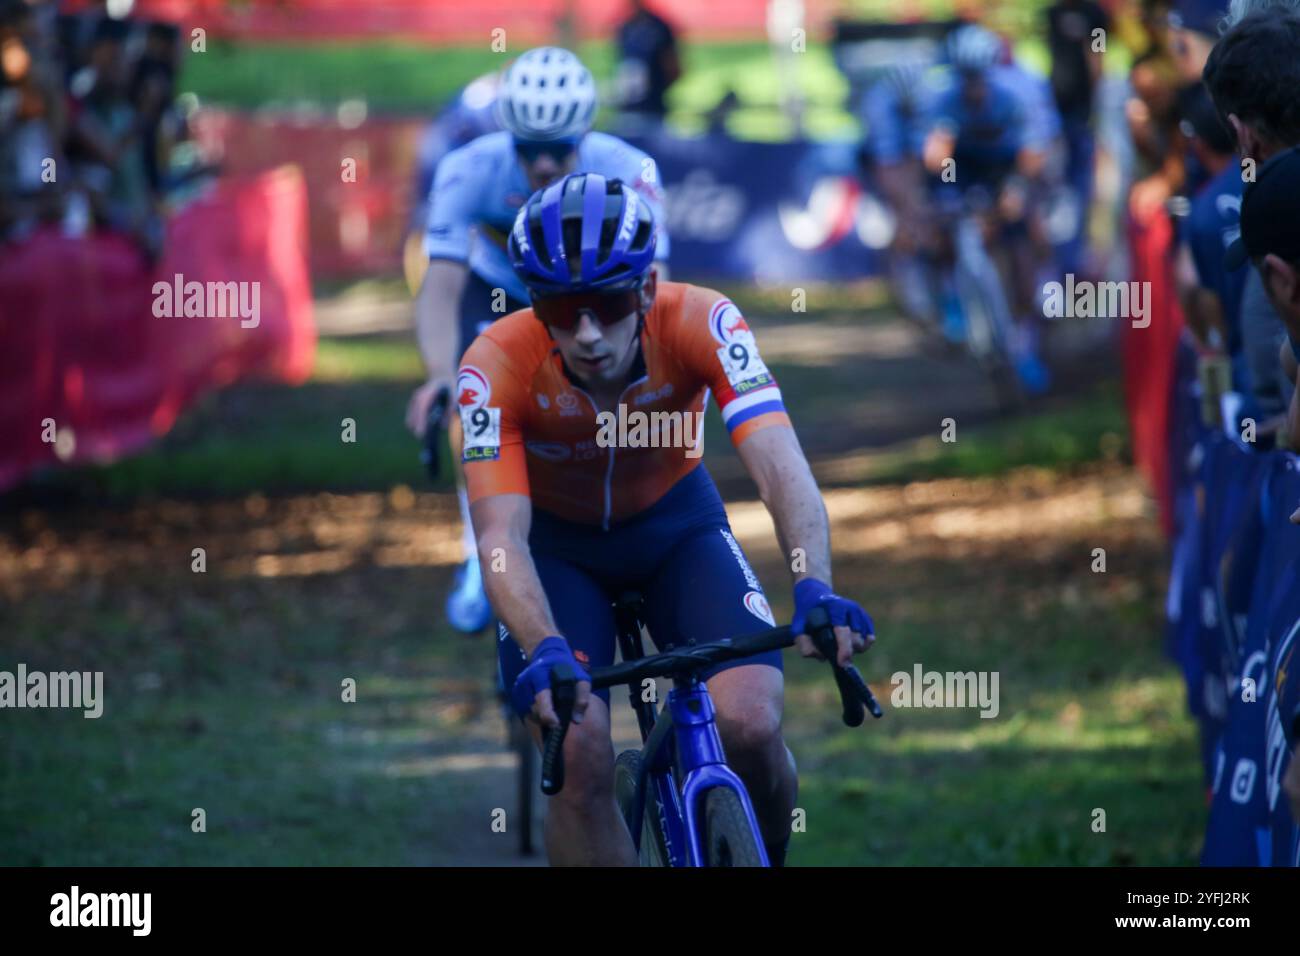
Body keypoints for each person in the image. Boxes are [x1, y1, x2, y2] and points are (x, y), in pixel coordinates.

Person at [458, 172, 875, 866]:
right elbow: (500, 538)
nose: (588, 333)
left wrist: (813, 585)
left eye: (611, 302)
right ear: (538, 308)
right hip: (560, 553)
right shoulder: (493, 366)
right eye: (564, 310)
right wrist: (545, 646)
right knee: (581, 750)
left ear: (647, 289)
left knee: (752, 724)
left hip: (675, 529)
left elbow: (780, 465)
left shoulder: (704, 320)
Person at [406, 47, 671, 634]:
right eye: (529, 151)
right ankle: (481, 550)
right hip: (497, 288)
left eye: (560, 150)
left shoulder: (631, 169)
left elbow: (658, 293)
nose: (545, 166)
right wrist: (438, 374)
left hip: (584, 289)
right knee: (469, 394)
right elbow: (441, 287)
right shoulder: (469, 167)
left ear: (587, 134)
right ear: (508, 137)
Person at [920, 24, 1055, 392]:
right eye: (964, 78)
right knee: (940, 229)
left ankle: (1027, 347)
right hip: (965, 177)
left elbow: (1034, 154)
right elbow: (936, 157)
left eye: (977, 78)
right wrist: (941, 182)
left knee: (1025, 253)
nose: (971, 87)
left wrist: (1016, 191)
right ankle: (953, 307)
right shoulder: (944, 101)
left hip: (1009, 173)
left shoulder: (1014, 97)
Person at [1045, 0, 1111, 274]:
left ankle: (1079, 258)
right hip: (1055, 114)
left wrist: (1094, 107)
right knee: (1057, 187)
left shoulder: (1094, 13)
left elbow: (1097, 57)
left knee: (1082, 186)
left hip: (1081, 114)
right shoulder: (1054, 12)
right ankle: (1060, 261)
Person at [614, 0, 680, 128]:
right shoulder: (625, 27)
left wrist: (656, 87)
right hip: (628, 107)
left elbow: (674, 67)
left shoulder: (659, 27)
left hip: (654, 107)